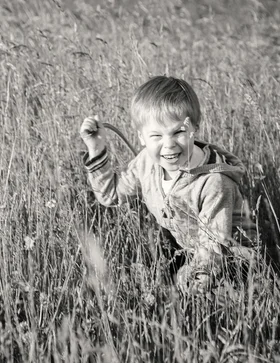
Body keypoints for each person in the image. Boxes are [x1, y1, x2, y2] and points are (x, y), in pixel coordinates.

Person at [79, 76, 256, 295]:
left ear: (195, 128)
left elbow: (213, 250)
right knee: (129, 275)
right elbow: (110, 195)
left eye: (178, 132)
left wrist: (178, 283)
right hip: (188, 248)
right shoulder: (147, 161)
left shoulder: (214, 183)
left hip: (228, 258)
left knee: (187, 291)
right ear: (142, 137)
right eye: (156, 136)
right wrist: (96, 149)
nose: (169, 144)